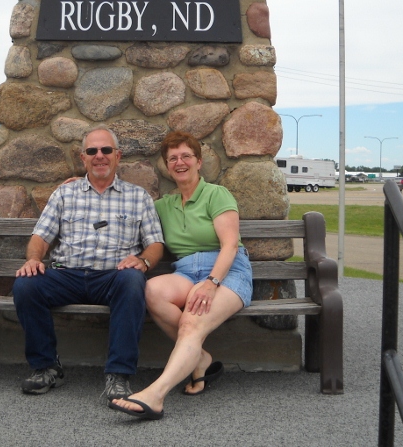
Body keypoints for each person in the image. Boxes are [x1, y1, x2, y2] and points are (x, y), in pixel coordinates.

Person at [13, 125, 164, 399]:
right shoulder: (64, 194)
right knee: (26, 285)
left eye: (106, 150)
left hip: (113, 276)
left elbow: (155, 243)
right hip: (66, 275)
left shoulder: (138, 197)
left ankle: (118, 375)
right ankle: (46, 367)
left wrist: (143, 261)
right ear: (83, 158)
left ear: (117, 156)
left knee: (133, 282)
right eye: (92, 151)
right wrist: (34, 258)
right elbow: (40, 236)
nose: (99, 156)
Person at [109, 130, 252, 420]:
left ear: (198, 162)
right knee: (151, 291)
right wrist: (77, 183)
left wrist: (212, 284)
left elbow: (230, 246)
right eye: (173, 158)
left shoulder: (216, 194)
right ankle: (199, 359)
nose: (180, 162)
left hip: (227, 271)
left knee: (191, 321)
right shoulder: (164, 206)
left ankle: (155, 395)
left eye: (186, 156)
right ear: (167, 166)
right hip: (187, 271)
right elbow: (124, 206)